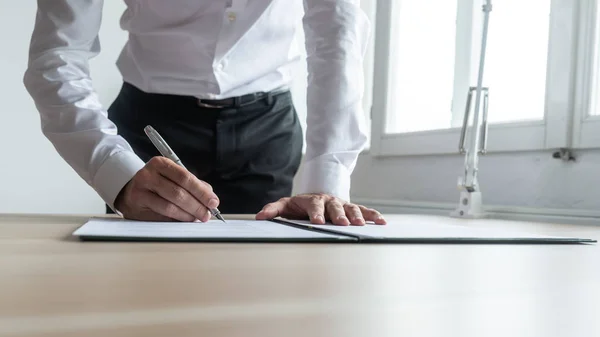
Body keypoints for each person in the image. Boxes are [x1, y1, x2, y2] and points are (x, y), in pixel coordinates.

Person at [23, 0, 386, 226]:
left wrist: (326, 182)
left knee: (259, 287)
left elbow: (337, 33)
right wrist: (117, 174)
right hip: (148, 127)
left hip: (267, 130)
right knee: (140, 284)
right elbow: (58, 57)